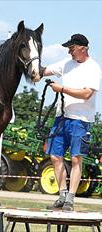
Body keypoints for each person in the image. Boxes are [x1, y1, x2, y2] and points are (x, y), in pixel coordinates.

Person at [42, 34, 101, 211]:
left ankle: (71, 199)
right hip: (62, 118)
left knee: (76, 159)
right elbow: (43, 71)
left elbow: (86, 94)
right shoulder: (66, 64)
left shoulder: (93, 68)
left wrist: (62, 89)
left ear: (83, 49)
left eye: (72, 48)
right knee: (54, 156)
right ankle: (62, 195)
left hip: (80, 121)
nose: (69, 52)